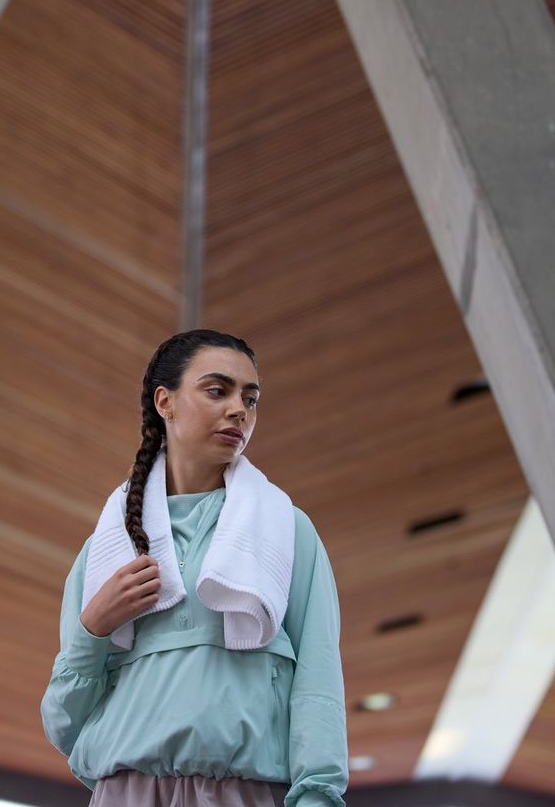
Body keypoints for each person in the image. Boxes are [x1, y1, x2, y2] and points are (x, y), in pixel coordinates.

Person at [40, 328, 349, 806]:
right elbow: (63, 724)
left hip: (248, 792)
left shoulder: (287, 529)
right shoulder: (104, 548)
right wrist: (94, 628)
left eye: (250, 398)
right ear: (165, 402)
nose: (239, 409)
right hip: (125, 793)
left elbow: (319, 674)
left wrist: (319, 795)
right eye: (216, 390)